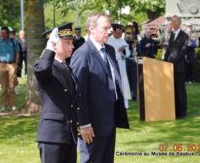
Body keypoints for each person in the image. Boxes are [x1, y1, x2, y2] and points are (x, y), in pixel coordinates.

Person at [70, 13, 129, 163]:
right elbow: (78, 93)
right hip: (92, 125)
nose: (109, 31)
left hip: (109, 120)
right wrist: (83, 123)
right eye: (105, 28)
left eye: (110, 27)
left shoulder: (108, 50)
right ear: (92, 29)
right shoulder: (82, 54)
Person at [34, 23, 78, 163]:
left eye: (72, 42)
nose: (72, 46)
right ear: (55, 44)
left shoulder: (66, 67)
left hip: (69, 134)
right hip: (53, 135)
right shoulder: (46, 66)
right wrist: (50, 46)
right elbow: (41, 69)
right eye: (67, 42)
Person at [164, 15, 188, 119]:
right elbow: (168, 50)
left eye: (175, 22)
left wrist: (171, 63)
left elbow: (182, 52)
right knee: (172, 90)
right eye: (172, 22)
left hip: (179, 68)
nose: (173, 24)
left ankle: (182, 112)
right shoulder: (172, 35)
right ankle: (175, 111)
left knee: (180, 90)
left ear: (179, 23)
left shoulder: (184, 36)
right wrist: (164, 62)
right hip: (169, 68)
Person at [0, 26, 19, 112]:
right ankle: (4, 106)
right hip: (2, 64)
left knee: (12, 86)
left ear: (8, 34)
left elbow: (17, 53)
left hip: (11, 64)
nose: (2, 35)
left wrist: (16, 64)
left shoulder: (13, 41)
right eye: (1, 33)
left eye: (4, 33)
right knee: (4, 87)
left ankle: (13, 105)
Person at [107, 23, 132, 108]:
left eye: (120, 33)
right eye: (117, 33)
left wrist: (124, 51)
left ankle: (125, 103)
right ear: (113, 32)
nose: (119, 35)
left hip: (122, 63)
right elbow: (109, 53)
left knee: (123, 83)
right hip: (113, 64)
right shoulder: (108, 40)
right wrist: (118, 50)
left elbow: (128, 54)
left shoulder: (123, 41)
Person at [124, 24, 137, 100]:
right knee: (127, 79)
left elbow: (137, 52)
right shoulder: (123, 42)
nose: (129, 36)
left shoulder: (134, 43)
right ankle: (127, 95)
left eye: (130, 34)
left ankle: (134, 95)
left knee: (133, 79)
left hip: (133, 60)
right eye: (127, 34)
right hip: (125, 61)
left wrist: (135, 48)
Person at [10, 30, 23, 94]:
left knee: (14, 76)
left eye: (13, 34)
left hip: (15, 62)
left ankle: (14, 88)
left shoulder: (17, 43)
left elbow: (20, 54)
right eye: (11, 34)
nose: (12, 35)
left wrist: (19, 64)